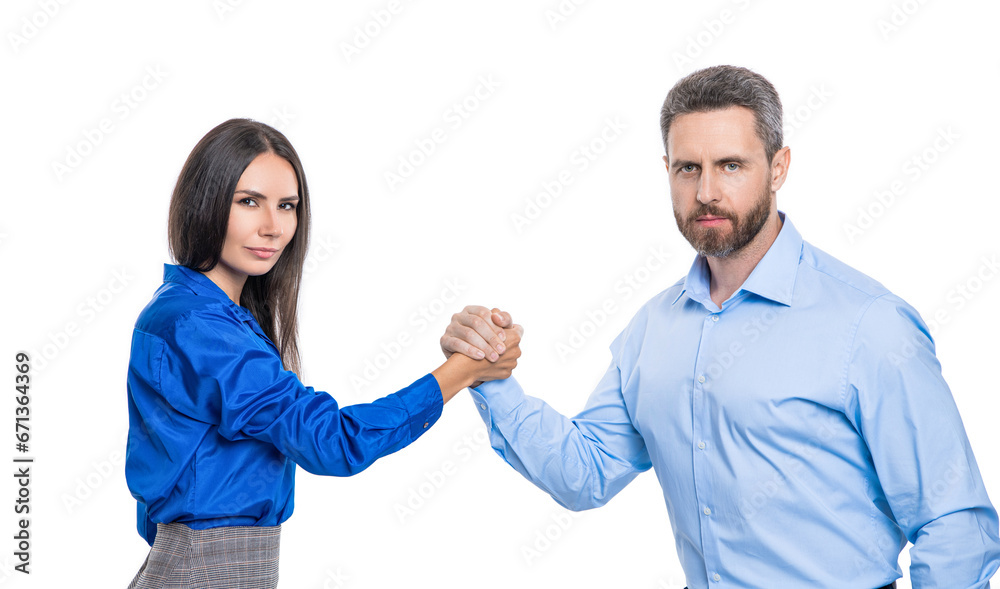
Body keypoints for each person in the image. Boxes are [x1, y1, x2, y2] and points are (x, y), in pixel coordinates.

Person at [440, 66, 1000, 588]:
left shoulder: (869, 324)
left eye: (731, 165)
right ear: (667, 171)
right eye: (689, 168)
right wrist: (487, 373)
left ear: (778, 167)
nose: (706, 191)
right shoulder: (653, 330)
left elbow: (953, 523)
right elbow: (585, 473)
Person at [125, 118, 521, 589]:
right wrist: (462, 371)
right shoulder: (200, 326)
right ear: (205, 201)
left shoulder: (203, 315)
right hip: (208, 571)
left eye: (287, 206)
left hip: (206, 566)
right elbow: (333, 441)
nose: (273, 227)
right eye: (249, 202)